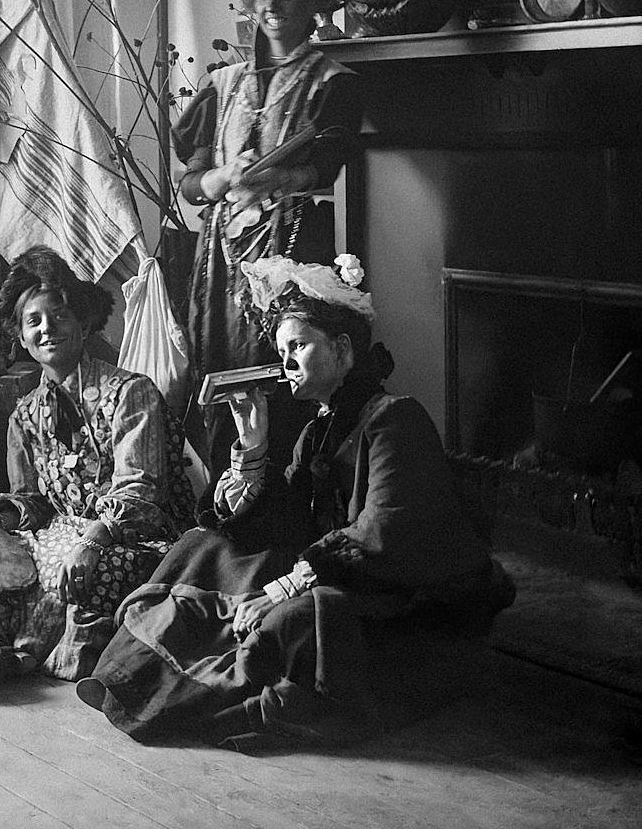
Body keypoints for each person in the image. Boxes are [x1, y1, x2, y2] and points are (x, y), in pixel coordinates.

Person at [76, 254, 515, 748]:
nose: (285, 364)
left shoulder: (396, 419)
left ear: (343, 350)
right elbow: (285, 525)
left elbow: (384, 534)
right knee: (202, 545)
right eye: (282, 350)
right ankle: (130, 679)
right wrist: (254, 446)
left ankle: (185, 703)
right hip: (335, 572)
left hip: (401, 592)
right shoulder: (314, 434)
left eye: (298, 347)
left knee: (291, 617)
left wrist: (283, 587)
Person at [0, 246, 196, 693]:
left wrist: (93, 539)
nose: (47, 329)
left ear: (83, 322)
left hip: (135, 536)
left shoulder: (132, 393)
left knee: (80, 569)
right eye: (33, 321)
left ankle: (26, 653)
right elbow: (33, 502)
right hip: (58, 532)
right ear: (20, 335)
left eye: (59, 317)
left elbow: (142, 490)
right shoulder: (26, 412)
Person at [175, 0, 369, 486]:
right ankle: (224, 503)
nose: (272, 6)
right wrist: (216, 180)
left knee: (282, 373)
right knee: (219, 371)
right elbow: (188, 183)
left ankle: (280, 504)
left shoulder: (330, 83)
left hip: (289, 256)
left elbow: (325, 167)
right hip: (219, 265)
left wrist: (278, 177)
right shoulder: (223, 84)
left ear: (313, 3)